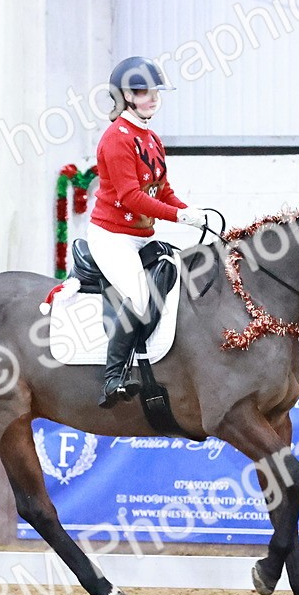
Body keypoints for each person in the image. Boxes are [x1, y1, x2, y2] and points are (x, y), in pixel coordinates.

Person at [88, 56, 207, 408]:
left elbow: (160, 189)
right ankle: (113, 378)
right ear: (124, 96)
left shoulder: (151, 137)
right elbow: (131, 197)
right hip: (113, 236)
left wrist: (189, 212)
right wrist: (177, 218)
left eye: (154, 91)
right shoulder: (116, 139)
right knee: (140, 299)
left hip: (142, 235)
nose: (152, 98)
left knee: (179, 282)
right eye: (142, 92)